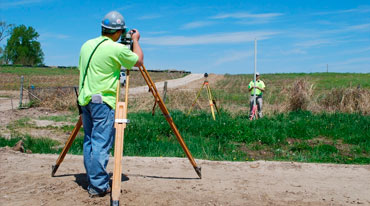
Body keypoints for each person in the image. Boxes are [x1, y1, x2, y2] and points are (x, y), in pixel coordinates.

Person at [77, 11, 143, 197]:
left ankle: (93, 178)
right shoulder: (116, 49)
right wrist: (135, 40)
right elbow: (138, 60)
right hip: (103, 102)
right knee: (101, 143)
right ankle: (98, 186)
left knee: (89, 141)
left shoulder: (86, 45)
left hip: (85, 99)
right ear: (118, 32)